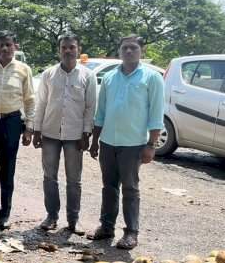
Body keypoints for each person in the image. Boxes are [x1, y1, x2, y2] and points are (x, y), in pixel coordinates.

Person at [87, 36, 164, 250]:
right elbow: (100, 112)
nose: (129, 51)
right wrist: (95, 141)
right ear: (119, 51)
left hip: (134, 144)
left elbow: (156, 114)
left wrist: (151, 145)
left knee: (130, 188)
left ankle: (131, 232)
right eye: (125, 48)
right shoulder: (110, 77)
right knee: (108, 187)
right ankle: (106, 227)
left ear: (141, 50)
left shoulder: (152, 78)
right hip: (109, 142)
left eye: (133, 48)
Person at [33, 34, 96, 234]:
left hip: (75, 136)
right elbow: (41, 103)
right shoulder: (49, 74)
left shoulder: (87, 75)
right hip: (50, 132)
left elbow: (90, 107)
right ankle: (51, 216)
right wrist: (36, 129)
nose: (68, 51)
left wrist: (86, 133)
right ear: (59, 50)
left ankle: (73, 220)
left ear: (78, 49)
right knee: (49, 177)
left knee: (74, 180)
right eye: (64, 47)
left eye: (72, 47)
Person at [0, 30, 35, 230]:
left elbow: (30, 100)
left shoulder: (23, 69)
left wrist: (29, 127)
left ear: (15, 47)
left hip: (12, 123)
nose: (5, 48)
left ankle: (5, 214)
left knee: (8, 171)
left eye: (8, 45)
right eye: (1, 45)